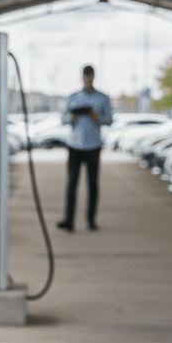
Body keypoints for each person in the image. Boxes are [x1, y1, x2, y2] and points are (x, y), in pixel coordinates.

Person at [58, 65, 112, 231]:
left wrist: (96, 117)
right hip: (75, 146)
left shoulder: (102, 98)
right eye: (85, 76)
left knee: (92, 184)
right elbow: (63, 119)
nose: (88, 79)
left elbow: (109, 120)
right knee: (71, 184)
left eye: (90, 76)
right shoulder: (73, 97)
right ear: (82, 77)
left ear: (94, 77)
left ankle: (91, 220)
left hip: (93, 147)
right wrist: (71, 117)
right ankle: (69, 220)